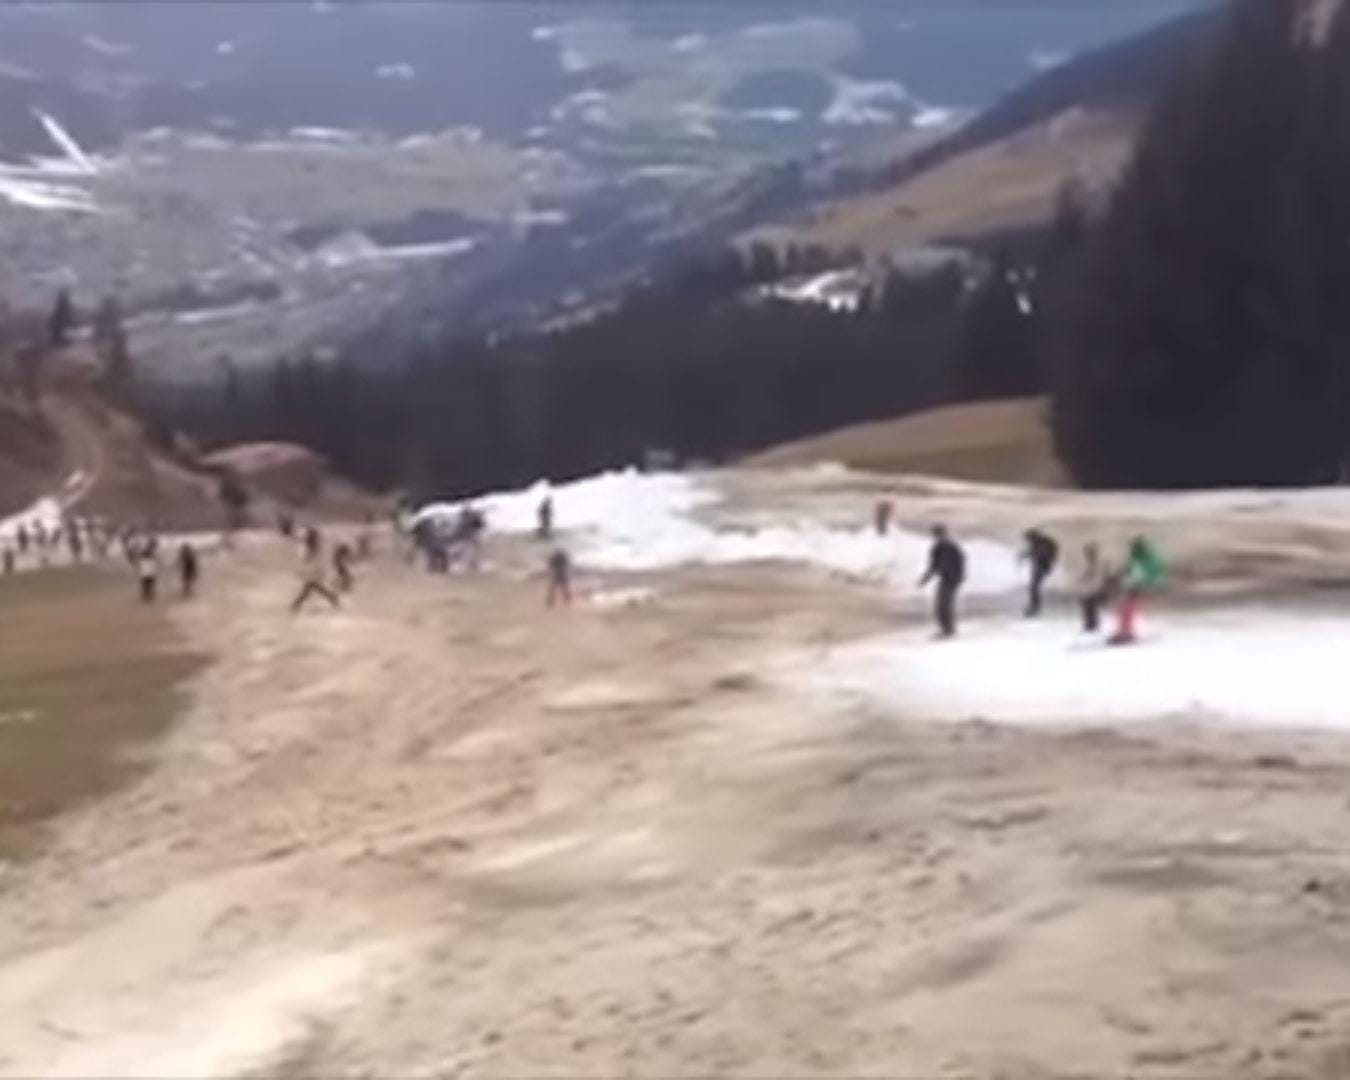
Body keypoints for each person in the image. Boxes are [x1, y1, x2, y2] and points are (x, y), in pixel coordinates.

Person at [1110, 535, 1165, 645]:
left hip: (1138, 585)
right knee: (1126, 607)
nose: (1130, 549)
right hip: (1138, 584)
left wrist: (1124, 578)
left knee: (1126, 607)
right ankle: (1125, 631)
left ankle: (1125, 632)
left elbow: (1137, 571)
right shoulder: (1145, 556)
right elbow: (1132, 569)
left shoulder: (1143, 557)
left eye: (1132, 546)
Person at [919, 525, 966, 639]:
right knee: (941, 604)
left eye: (940, 534)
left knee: (944, 604)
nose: (939, 537)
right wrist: (925, 578)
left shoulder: (951, 547)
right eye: (936, 535)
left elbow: (960, 562)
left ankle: (948, 629)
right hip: (946, 578)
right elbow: (934, 566)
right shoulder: (937, 548)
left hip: (952, 579)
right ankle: (946, 628)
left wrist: (958, 577)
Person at [1020, 527, 1059, 617]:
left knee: (1034, 587)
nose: (1028, 542)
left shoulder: (1042, 543)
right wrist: (1024, 555)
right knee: (1033, 587)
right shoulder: (1040, 543)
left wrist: (1027, 555)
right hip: (1040, 567)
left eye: (1029, 539)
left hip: (1042, 567)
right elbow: (1034, 552)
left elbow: (1039, 553)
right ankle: (1034, 606)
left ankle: (1035, 607)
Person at [1078, 542, 1114, 633]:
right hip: (1092, 590)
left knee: (1089, 603)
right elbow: (1083, 578)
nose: (1088, 555)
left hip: (1099, 590)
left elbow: (1103, 577)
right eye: (1087, 553)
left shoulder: (1100, 563)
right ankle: (1090, 624)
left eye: (1090, 552)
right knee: (1086, 603)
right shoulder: (1088, 564)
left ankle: (1092, 624)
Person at [136, 539, 160, 604]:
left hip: (146, 568)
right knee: (148, 582)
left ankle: (147, 594)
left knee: (147, 582)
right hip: (148, 567)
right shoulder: (149, 551)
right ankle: (147, 594)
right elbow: (147, 559)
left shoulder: (147, 551)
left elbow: (141, 559)